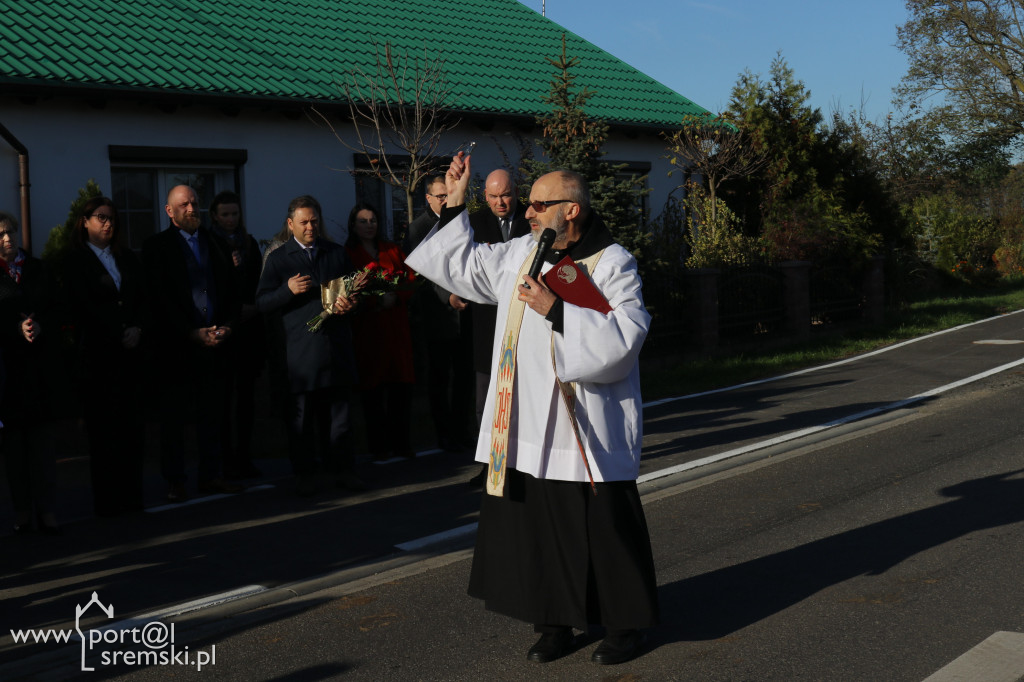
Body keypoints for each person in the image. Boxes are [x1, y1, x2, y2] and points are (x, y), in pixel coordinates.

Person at [405, 155, 658, 666]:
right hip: (526, 423)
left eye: (539, 205)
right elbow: (464, 267)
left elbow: (627, 338)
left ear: (571, 210)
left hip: (583, 424)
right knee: (537, 531)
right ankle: (554, 623)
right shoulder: (523, 251)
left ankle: (625, 624)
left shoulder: (612, 262)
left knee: (602, 528)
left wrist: (556, 308)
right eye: (528, 204)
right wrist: (455, 205)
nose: (527, 213)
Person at [256, 195, 366, 496]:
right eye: (303, 222)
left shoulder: (335, 252)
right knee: (302, 421)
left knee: (339, 418)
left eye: (314, 221)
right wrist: (287, 290)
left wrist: (350, 304)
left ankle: (343, 469)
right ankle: (305, 473)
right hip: (300, 353)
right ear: (290, 224)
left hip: (335, 348)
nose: (310, 227)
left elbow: (352, 292)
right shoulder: (280, 259)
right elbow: (262, 303)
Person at [142, 185, 241, 501]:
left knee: (212, 414)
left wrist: (227, 326)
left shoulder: (216, 243)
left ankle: (212, 475)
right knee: (174, 418)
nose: (191, 209)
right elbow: (158, 299)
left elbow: (230, 292)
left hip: (215, 343)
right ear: (169, 211)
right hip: (176, 348)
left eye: (195, 203)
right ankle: (176, 480)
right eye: (183, 205)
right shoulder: (156, 247)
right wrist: (189, 332)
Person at [65, 197, 149, 516]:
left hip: (131, 356)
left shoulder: (126, 257)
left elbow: (142, 297)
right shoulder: (76, 261)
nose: (108, 223)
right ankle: (108, 500)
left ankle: (132, 495)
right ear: (84, 222)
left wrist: (137, 328)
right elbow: (83, 307)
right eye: (100, 217)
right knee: (104, 432)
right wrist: (118, 332)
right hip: (100, 358)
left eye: (112, 218)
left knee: (132, 429)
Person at [464, 169, 531, 483]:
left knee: (524, 394)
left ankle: (523, 461)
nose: (500, 202)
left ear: (515, 191)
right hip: (486, 324)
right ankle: (489, 463)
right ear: (484, 196)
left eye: (505, 195)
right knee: (485, 397)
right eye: (493, 196)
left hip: (525, 320)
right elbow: (460, 264)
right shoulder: (475, 222)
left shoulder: (531, 218)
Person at [0, 211, 61, 534]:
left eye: (10, 232)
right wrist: (14, 329)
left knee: (43, 448)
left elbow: (57, 308)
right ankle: (22, 513)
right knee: (14, 453)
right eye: (0, 234)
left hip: (40, 373)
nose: (7, 239)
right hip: (8, 376)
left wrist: (40, 325)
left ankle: (47, 511)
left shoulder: (38, 269)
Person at [406, 176, 474, 452]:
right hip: (437, 316)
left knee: (464, 378)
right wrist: (447, 296)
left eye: (449, 195)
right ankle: (443, 432)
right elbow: (420, 277)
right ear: (429, 198)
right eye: (441, 196)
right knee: (439, 378)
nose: (446, 200)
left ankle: (462, 430)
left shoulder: (462, 219)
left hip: (465, 315)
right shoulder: (418, 229)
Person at [344, 203, 416, 460]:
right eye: (363, 221)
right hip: (369, 331)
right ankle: (378, 445)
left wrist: (396, 296)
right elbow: (347, 290)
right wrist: (374, 300)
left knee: (401, 390)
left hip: (396, 330)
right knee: (373, 392)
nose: (369, 225)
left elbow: (411, 280)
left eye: (373, 220)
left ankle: (402, 442)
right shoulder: (349, 254)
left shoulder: (392, 250)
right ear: (353, 225)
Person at [209, 191, 264, 479]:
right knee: (222, 400)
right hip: (223, 329)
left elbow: (258, 280)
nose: (231, 219)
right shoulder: (209, 244)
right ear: (215, 217)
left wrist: (253, 307)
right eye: (225, 214)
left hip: (248, 328)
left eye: (234, 214)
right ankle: (225, 458)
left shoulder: (249, 242)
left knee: (246, 398)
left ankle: (244, 455)